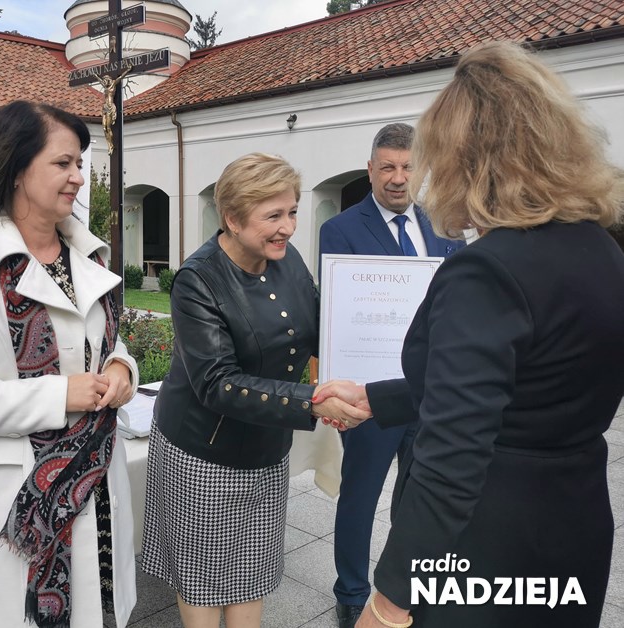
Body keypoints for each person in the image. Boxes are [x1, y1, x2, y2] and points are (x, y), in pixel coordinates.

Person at [316, 41, 624, 628]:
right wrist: (378, 398)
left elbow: (452, 459)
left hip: (487, 544)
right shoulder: (601, 250)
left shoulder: (487, 269)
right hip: (573, 524)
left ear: (468, 159)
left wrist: (388, 603)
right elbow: (523, 382)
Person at [0, 100, 140, 628]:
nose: (78, 177)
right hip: (19, 493)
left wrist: (121, 371)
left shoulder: (89, 256)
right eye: (63, 163)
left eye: (80, 163)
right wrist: (60, 395)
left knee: (96, 613)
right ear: (17, 167)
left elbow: (106, 346)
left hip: (96, 480)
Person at [141, 153, 370, 628]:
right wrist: (312, 402)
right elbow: (217, 384)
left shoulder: (288, 260)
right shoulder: (197, 280)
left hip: (267, 446)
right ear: (232, 218)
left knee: (252, 571)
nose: (288, 227)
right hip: (202, 452)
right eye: (273, 216)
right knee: (204, 578)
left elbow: (317, 327)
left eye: (292, 212)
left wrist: (368, 351)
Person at [317, 123, 464, 628]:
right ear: (370, 170)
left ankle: (405, 589)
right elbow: (339, 310)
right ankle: (351, 593)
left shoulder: (443, 226)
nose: (398, 178)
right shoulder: (341, 229)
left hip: (429, 392)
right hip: (371, 394)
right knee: (360, 496)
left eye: (407, 167)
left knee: (420, 497)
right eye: (388, 168)